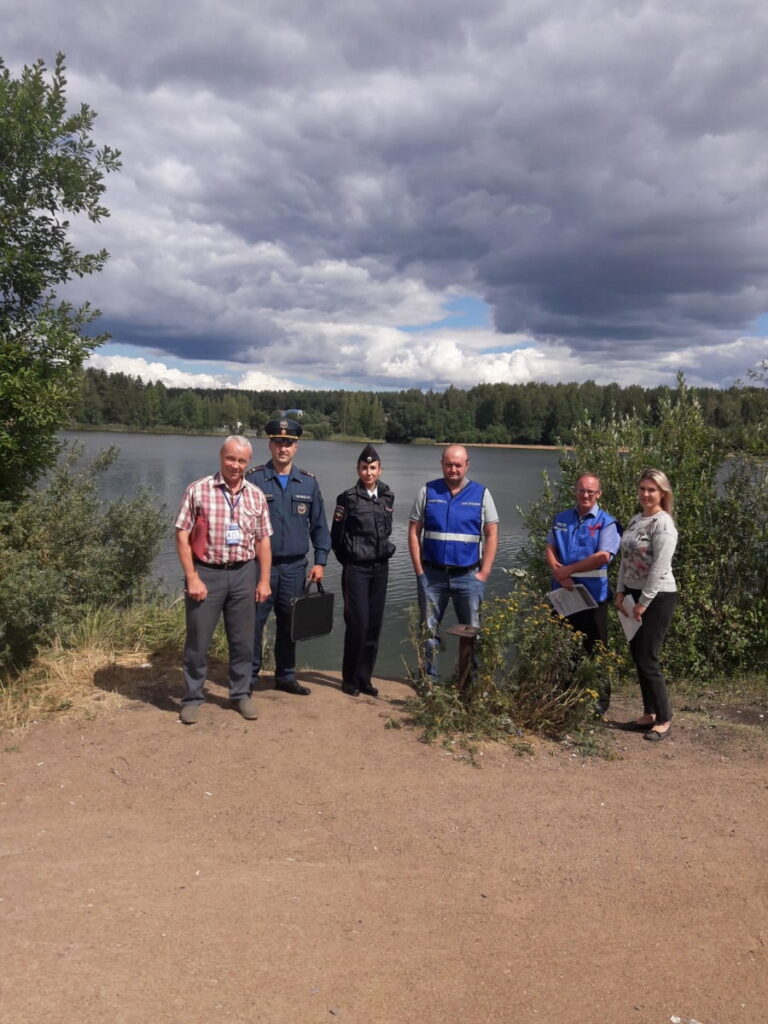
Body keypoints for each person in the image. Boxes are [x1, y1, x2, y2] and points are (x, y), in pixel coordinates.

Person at [175, 436, 272, 724]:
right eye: (231, 458)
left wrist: (263, 580)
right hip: (206, 573)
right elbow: (181, 535)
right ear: (221, 456)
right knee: (198, 640)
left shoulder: (256, 495)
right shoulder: (198, 490)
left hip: (244, 573)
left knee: (243, 641)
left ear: (248, 463)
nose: (235, 465)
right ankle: (193, 697)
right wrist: (192, 576)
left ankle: (240, 694)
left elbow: (263, 541)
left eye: (241, 460)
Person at [246, 417, 331, 696]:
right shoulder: (254, 480)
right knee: (253, 624)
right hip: (260, 568)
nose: (283, 448)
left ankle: (285, 676)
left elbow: (319, 526)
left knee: (289, 624)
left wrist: (320, 561)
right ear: (270, 445)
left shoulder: (308, 483)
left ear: (296, 446)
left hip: (295, 568)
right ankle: (249, 677)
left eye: (288, 443)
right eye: (278, 442)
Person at [408, 444, 499, 682]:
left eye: (458, 465)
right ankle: (429, 680)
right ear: (442, 464)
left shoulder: (481, 494)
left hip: (468, 577)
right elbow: (413, 531)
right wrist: (419, 571)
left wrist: (485, 572)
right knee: (428, 631)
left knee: (472, 632)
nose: (453, 469)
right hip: (432, 576)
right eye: (449, 464)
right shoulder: (428, 491)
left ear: (467, 465)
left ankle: (470, 683)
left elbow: (492, 534)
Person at [545, 473, 621, 714]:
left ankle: (599, 705)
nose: (585, 495)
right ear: (575, 491)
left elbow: (603, 556)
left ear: (598, 494)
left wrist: (569, 570)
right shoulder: (562, 518)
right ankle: (565, 699)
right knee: (564, 647)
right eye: (581, 490)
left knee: (596, 649)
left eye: (590, 491)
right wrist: (559, 573)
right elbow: (550, 547)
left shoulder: (607, 522)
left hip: (593, 596)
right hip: (563, 592)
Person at [615, 468, 678, 742]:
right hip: (632, 593)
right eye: (642, 488)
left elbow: (660, 568)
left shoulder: (663, 524)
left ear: (662, 493)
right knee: (637, 654)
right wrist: (620, 591)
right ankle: (649, 713)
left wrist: (643, 602)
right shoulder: (636, 520)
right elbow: (625, 559)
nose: (646, 494)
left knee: (648, 657)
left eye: (652, 490)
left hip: (657, 597)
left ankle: (664, 719)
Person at [331, 444, 396, 698]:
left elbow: (387, 530)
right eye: (364, 468)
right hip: (356, 569)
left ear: (380, 470)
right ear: (358, 470)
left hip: (380, 568)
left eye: (373, 468)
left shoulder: (387, 496)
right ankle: (349, 679)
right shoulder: (347, 498)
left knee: (373, 626)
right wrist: (349, 560)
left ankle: (364, 678)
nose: (369, 472)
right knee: (358, 624)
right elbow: (336, 537)